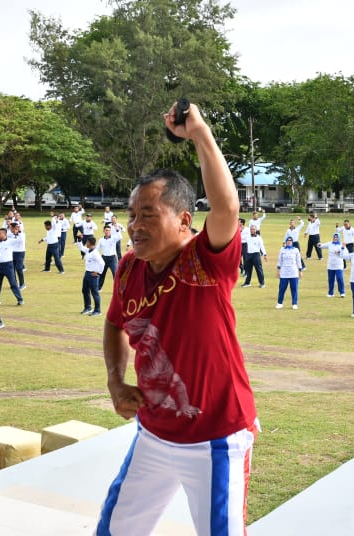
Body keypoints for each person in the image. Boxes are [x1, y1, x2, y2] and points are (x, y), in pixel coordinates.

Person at [99, 101, 258, 535]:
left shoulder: (205, 262)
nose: (135, 226)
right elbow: (115, 323)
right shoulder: (129, 268)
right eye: (131, 216)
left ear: (184, 220)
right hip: (154, 432)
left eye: (148, 215)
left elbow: (226, 208)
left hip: (215, 440)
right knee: (114, 530)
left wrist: (200, 133)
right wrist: (116, 382)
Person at [275, 235, 305, 310]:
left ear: (292, 242)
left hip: (293, 271)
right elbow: (280, 260)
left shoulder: (295, 250)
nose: (289, 242)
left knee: (294, 288)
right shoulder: (282, 250)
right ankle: (279, 303)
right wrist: (278, 270)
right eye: (287, 241)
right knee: (282, 288)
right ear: (286, 242)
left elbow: (298, 260)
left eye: (290, 241)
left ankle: (294, 303)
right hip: (284, 271)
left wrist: (300, 270)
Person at [79, 235, 104, 316]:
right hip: (87, 273)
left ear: (90, 243)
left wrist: (98, 272)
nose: (86, 243)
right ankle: (88, 307)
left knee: (94, 292)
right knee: (85, 290)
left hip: (93, 275)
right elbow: (82, 248)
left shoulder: (95, 253)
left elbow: (102, 263)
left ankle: (98, 310)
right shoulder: (88, 250)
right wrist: (79, 240)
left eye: (87, 242)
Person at [319, 232, 350, 297]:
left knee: (339, 278)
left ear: (339, 238)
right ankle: (331, 293)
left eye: (336, 237)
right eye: (334, 237)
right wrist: (319, 244)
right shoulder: (330, 243)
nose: (335, 238)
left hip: (339, 265)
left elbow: (346, 253)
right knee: (331, 279)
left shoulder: (342, 244)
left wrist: (340, 250)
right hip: (330, 265)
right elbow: (323, 246)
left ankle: (342, 292)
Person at [97, 224, 122, 288]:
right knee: (102, 273)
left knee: (115, 273)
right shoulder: (101, 240)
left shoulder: (114, 238)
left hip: (112, 258)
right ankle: (99, 288)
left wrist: (117, 229)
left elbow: (120, 237)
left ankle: (117, 288)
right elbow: (97, 249)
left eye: (109, 230)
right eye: (106, 230)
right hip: (104, 258)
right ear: (104, 231)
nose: (107, 232)